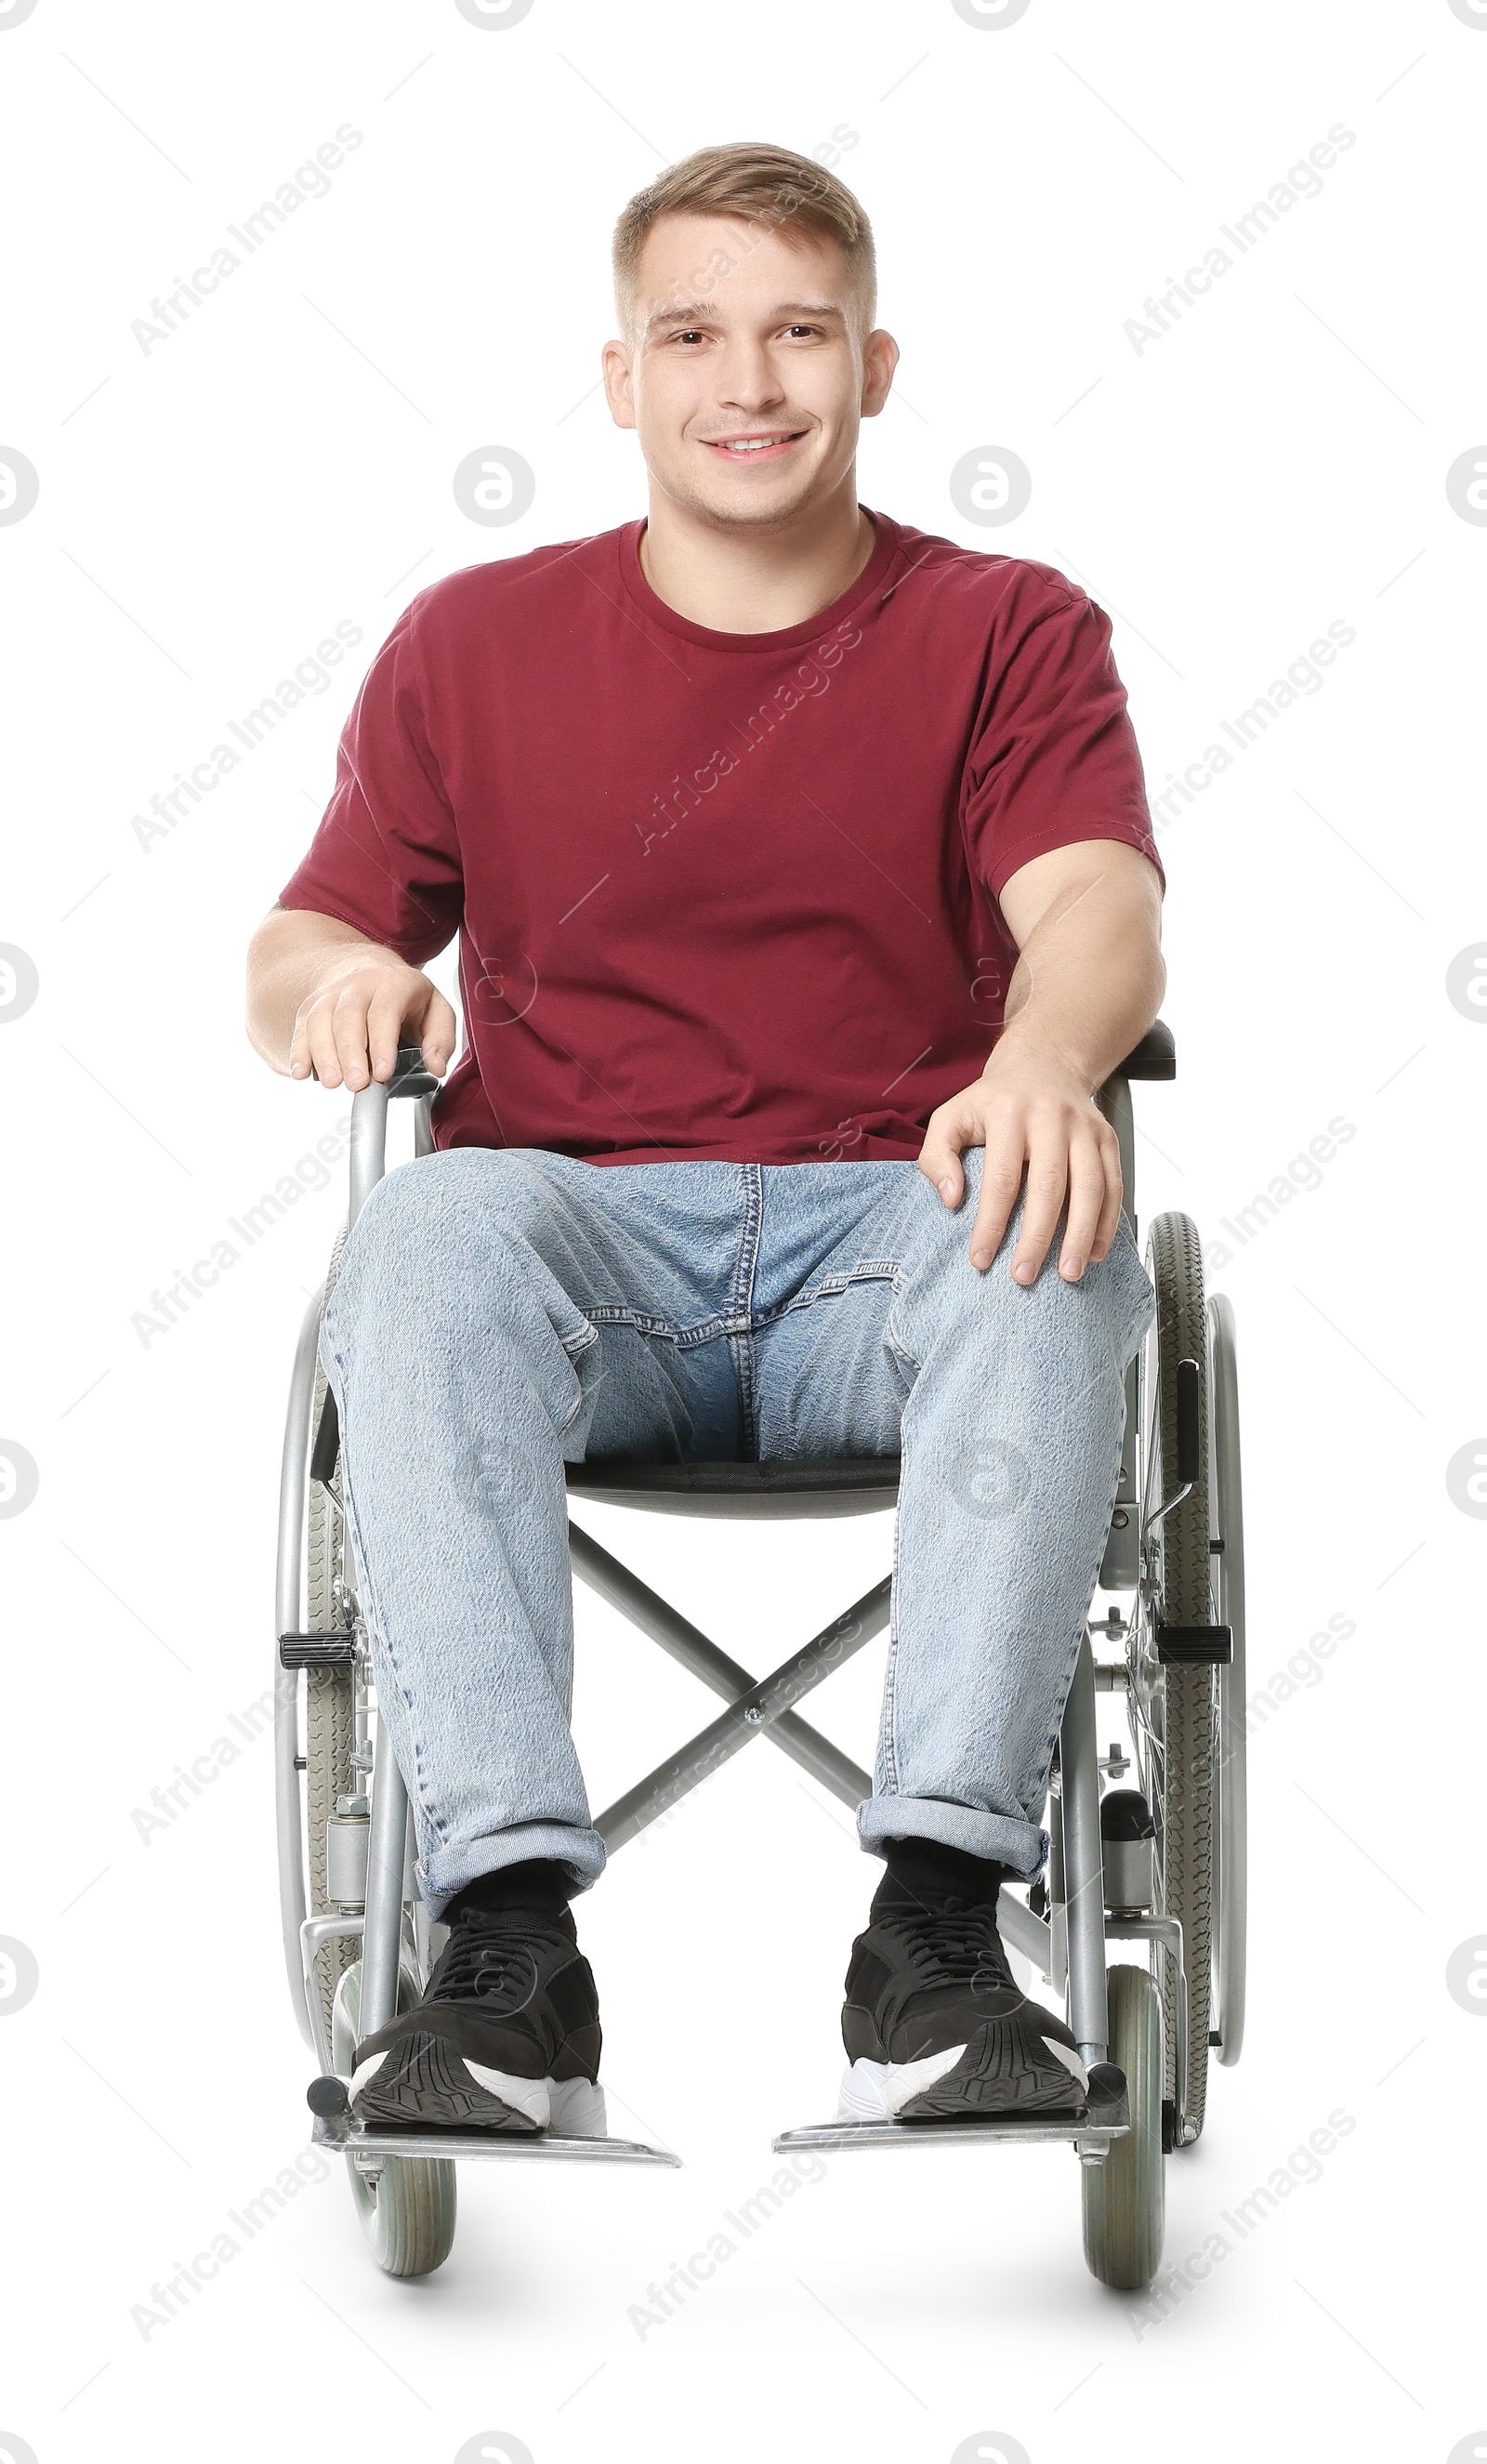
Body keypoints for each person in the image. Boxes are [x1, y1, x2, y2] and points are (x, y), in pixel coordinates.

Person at [246, 141, 1163, 2139]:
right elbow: (305, 931)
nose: (745, 382)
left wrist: (1035, 1059)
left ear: (873, 362)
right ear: (622, 378)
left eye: (795, 335)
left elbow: (1094, 906)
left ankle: (931, 1927)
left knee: (1053, 1206)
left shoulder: (1004, 627)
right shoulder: (471, 643)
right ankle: (499, 1941)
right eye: (692, 335)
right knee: (421, 1233)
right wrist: (340, 986)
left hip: (889, 1227)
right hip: (576, 1245)